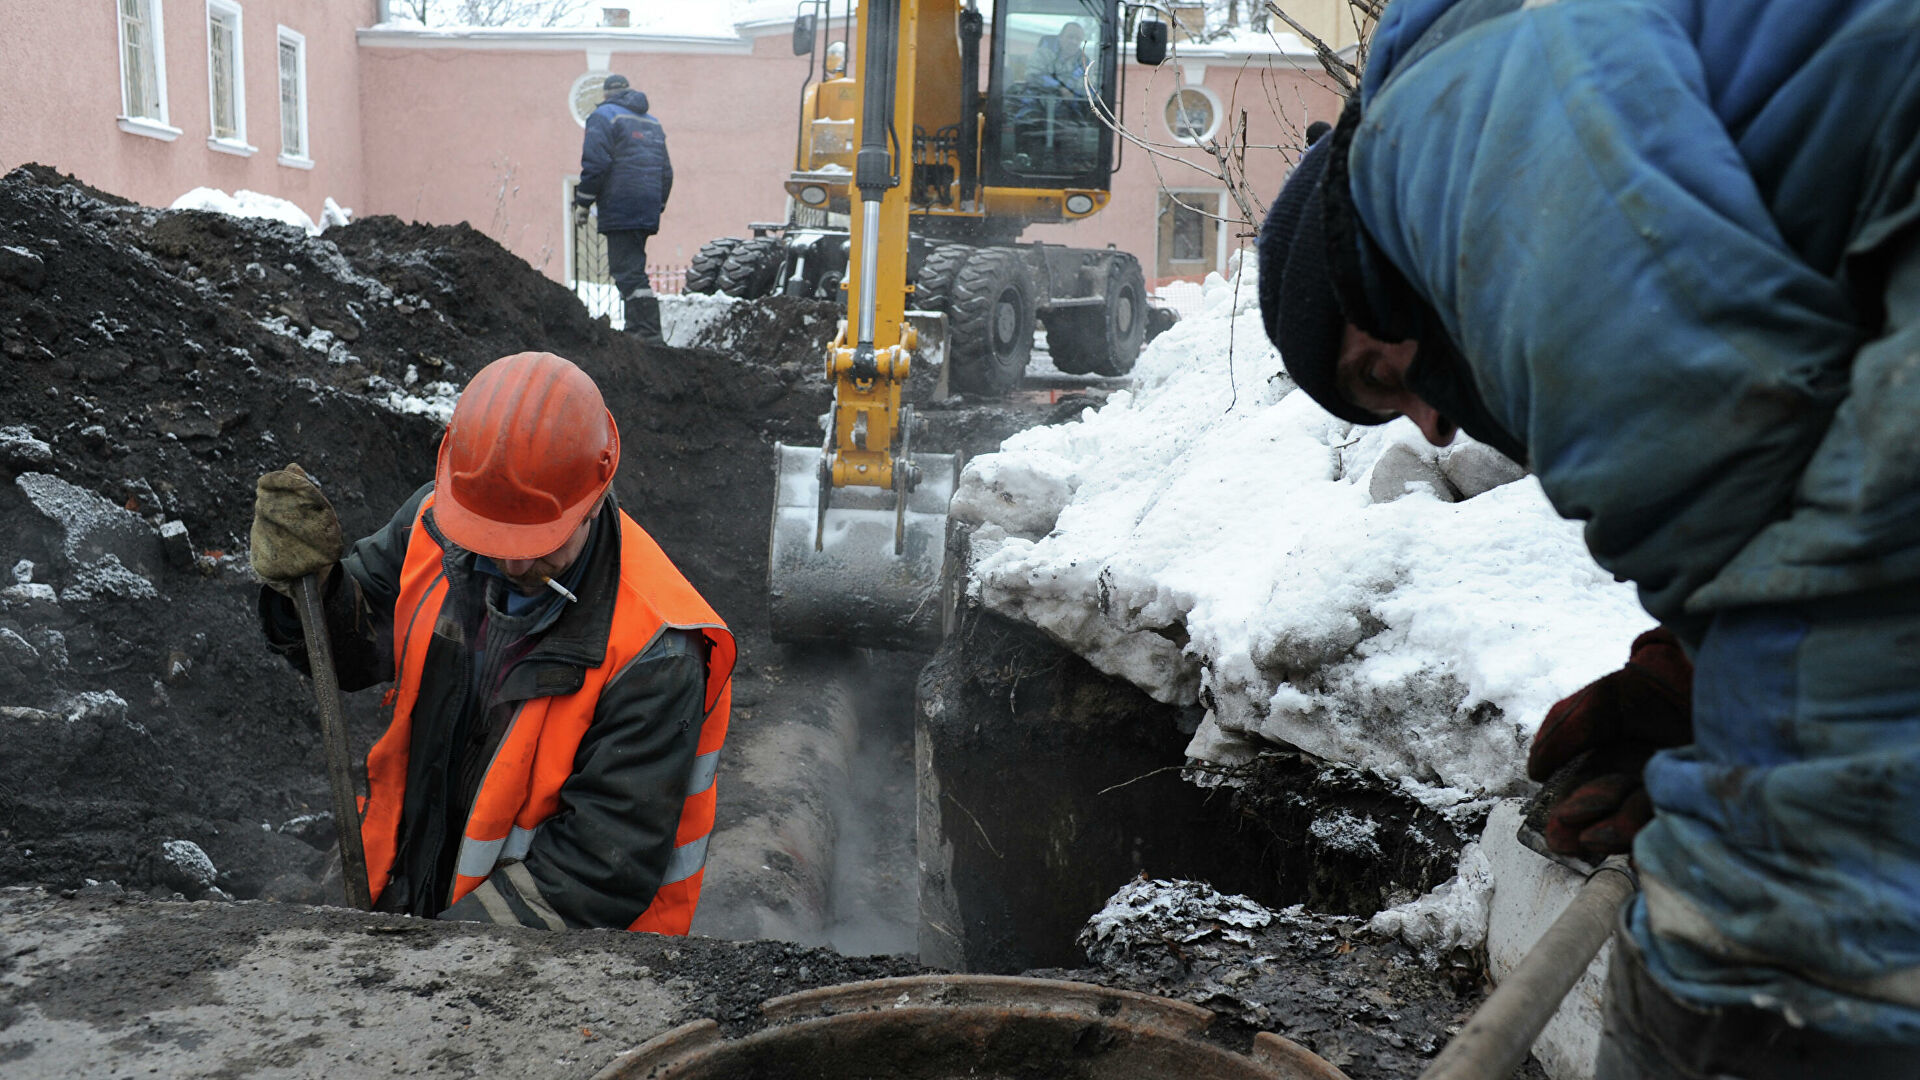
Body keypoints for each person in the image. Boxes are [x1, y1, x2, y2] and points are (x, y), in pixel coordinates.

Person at [1258, 0, 1920, 1076]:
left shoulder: (1449, 141)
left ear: (1354, 267)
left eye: (1380, 376)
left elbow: (1735, 491)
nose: (1431, 420)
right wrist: (1692, 684)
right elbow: (1783, 492)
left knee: (1762, 941)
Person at [248, 351, 734, 933]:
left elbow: (594, 873)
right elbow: (350, 650)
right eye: (491, 532)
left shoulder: (656, 650)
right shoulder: (437, 524)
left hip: (552, 979)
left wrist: (436, 961)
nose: (509, 560)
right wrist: (307, 589)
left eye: (537, 539)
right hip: (410, 905)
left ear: (595, 495)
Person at [575, 74, 673, 346]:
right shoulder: (652, 123)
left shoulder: (603, 117)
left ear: (606, 94)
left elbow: (596, 163)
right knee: (634, 265)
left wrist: (583, 202)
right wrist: (658, 204)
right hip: (646, 206)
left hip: (621, 203)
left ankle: (647, 333)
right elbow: (666, 172)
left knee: (627, 270)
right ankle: (638, 329)